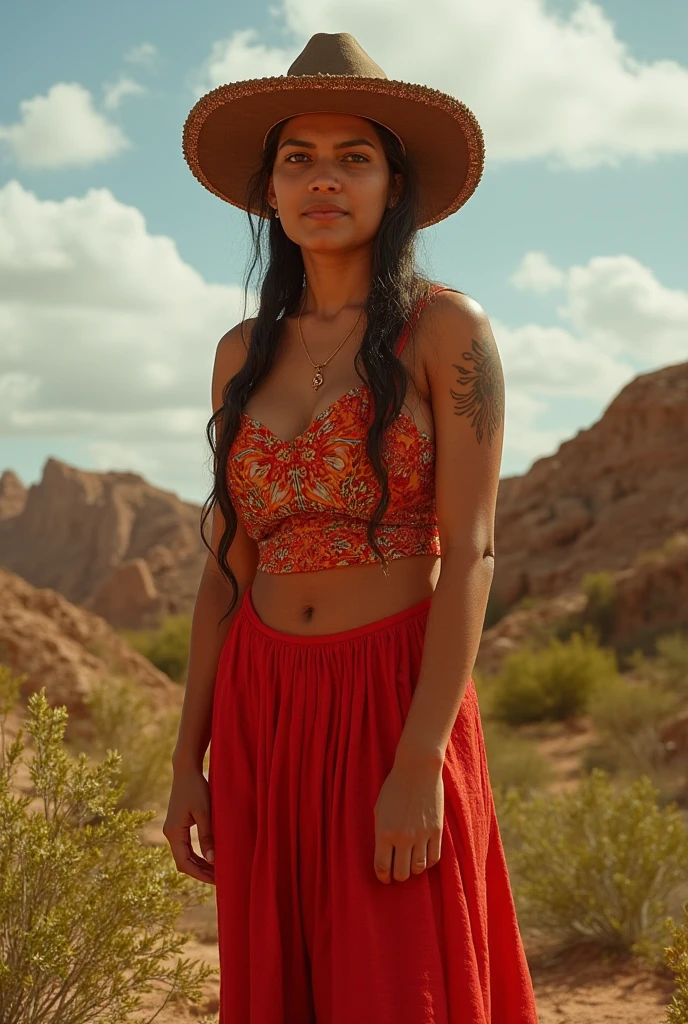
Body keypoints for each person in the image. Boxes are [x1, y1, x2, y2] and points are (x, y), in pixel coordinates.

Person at [165, 30, 539, 1024]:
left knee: (395, 985)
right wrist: (185, 761)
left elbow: (472, 552)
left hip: (392, 697)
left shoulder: (448, 331)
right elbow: (222, 571)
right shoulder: (240, 351)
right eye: (298, 158)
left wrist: (420, 758)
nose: (321, 179)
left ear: (392, 185)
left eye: (352, 157)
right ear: (272, 191)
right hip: (261, 705)